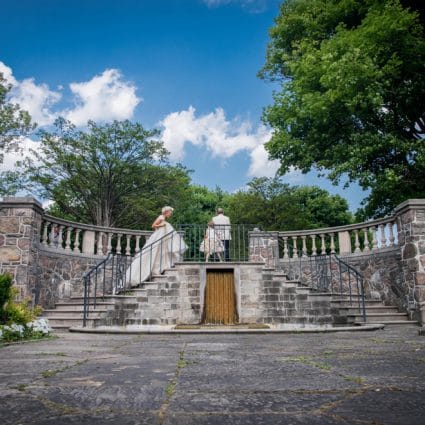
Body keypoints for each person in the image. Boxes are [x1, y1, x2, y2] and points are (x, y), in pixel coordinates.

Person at [124, 206, 187, 287]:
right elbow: (153, 225)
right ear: (166, 212)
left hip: (162, 237)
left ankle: (159, 269)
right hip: (158, 236)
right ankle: (153, 271)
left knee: (160, 254)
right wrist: (162, 225)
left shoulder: (164, 218)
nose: (171, 214)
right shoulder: (161, 217)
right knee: (155, 252)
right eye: (170, 212)